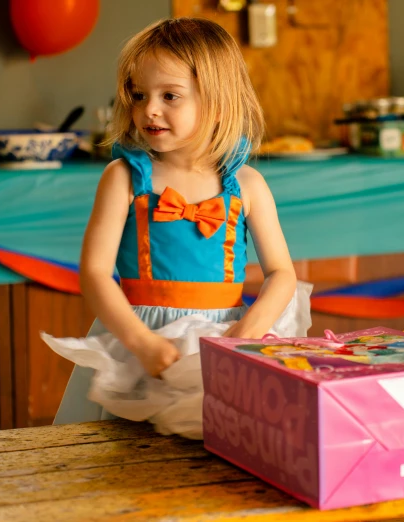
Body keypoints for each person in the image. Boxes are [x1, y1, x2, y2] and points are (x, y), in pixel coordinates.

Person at [53, 17, 302, 424]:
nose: (149, 109)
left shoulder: (248, 185)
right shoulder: (122, 179)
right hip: (140, 345)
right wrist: (141, 342)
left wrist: (251, 328)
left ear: (218, 102)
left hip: (225, 343)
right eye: (138, 94)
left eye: (170, 95)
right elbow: (95, 274)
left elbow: (282, 273)